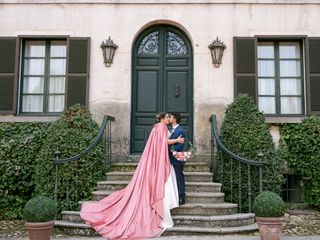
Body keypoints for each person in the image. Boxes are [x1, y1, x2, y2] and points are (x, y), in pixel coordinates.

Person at [80, 112, 184, 239]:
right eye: (167, 117)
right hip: (159, 160)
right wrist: (177, 140)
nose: (169, 119)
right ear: (162, 118)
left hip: (155, 159)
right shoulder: (161, 127)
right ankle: (160, 210)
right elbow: (164, 142)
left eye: (170, 117)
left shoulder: (156, 127)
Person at [168, 112, 186, 206]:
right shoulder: (171, 130)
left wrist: (168, 147)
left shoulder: (180, 131)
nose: (169, 118)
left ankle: (182, 196)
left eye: (170, 117)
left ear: (174, 119)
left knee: (179, 177)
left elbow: (179, 147)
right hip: (170, 158)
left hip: (177, 158)